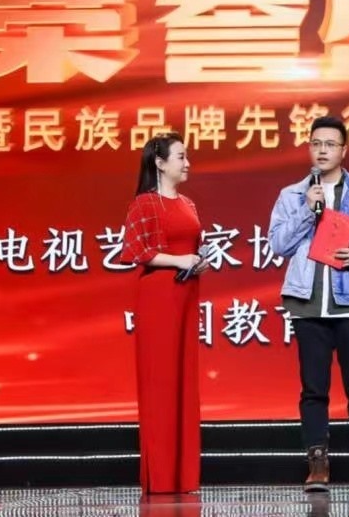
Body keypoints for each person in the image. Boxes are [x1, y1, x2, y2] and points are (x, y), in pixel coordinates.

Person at [267, 115, 349, 492]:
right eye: (316, 143)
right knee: (314, 388)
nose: (322, 150)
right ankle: (317, 464)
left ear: (344, 150)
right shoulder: (292, 194)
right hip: (308, 303)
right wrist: (307, 210)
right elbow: (278, 245)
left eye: (330, 144)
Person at [120, 133, 210, 494]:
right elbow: (134, 250)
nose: (187, 163)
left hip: (187, 294)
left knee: (184, 381)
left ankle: (183, 477)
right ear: (159, 163)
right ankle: (161, 477)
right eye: (181, 157)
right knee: (160, 383)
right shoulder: (144, 204)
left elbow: (192, 245)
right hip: (158, 296)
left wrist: (196, 262)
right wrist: (179, 260)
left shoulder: (188, 203)